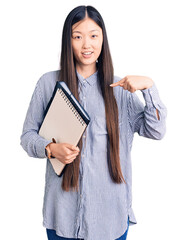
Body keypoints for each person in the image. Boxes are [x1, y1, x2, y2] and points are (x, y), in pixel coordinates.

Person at [20, 5, 167, 240]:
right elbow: (27, 136)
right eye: (77, 36)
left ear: (103, 39)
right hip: (62, 219)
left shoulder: (121, 90)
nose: (86, 44)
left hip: (110, 220)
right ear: (68, 41)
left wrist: (149, 87)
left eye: (93, 36)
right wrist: (50, 149)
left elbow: (156, 131)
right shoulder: (48, 84)